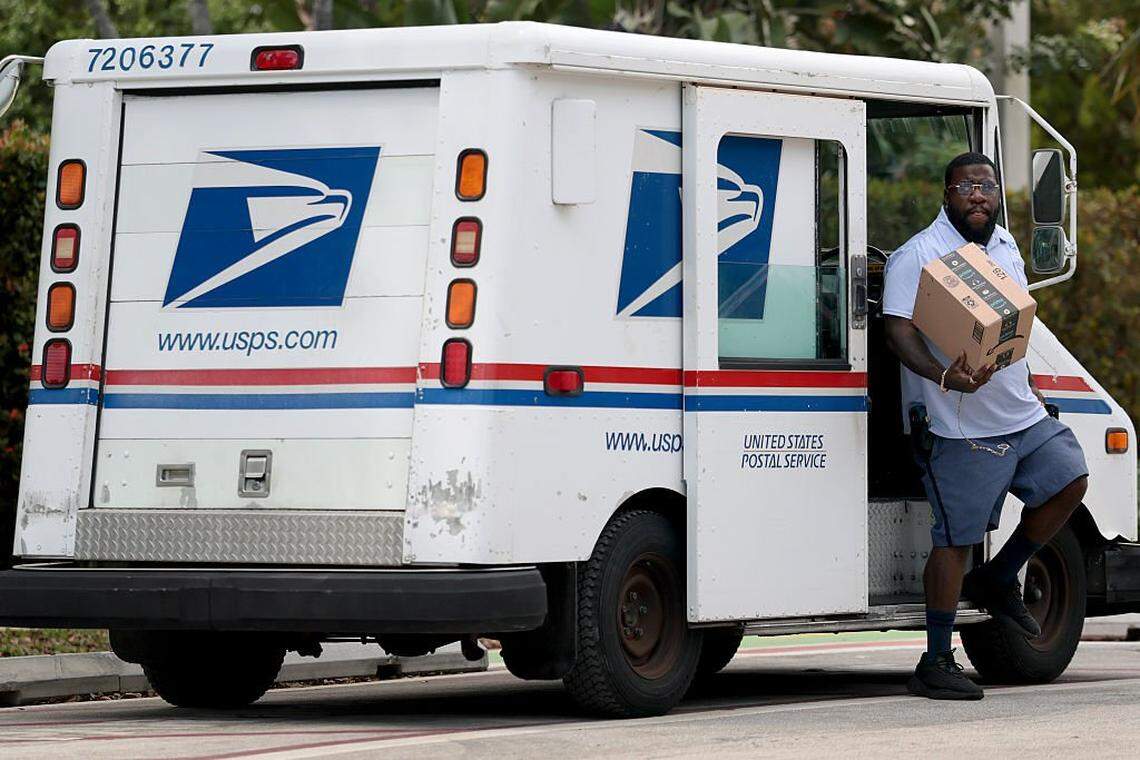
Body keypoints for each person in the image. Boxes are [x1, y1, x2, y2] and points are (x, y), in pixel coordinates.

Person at [882, 152, 1089, 700]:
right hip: (958, 424)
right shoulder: (919, 256)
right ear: (946, 194)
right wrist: (942, 376)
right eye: (966, 186)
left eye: (987, 186)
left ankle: (1001, 576)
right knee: (956, 540)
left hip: (1019, 412)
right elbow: (898, 332)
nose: (978, 194)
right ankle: (934, 659)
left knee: (1071, 478)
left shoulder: (1006, 247)